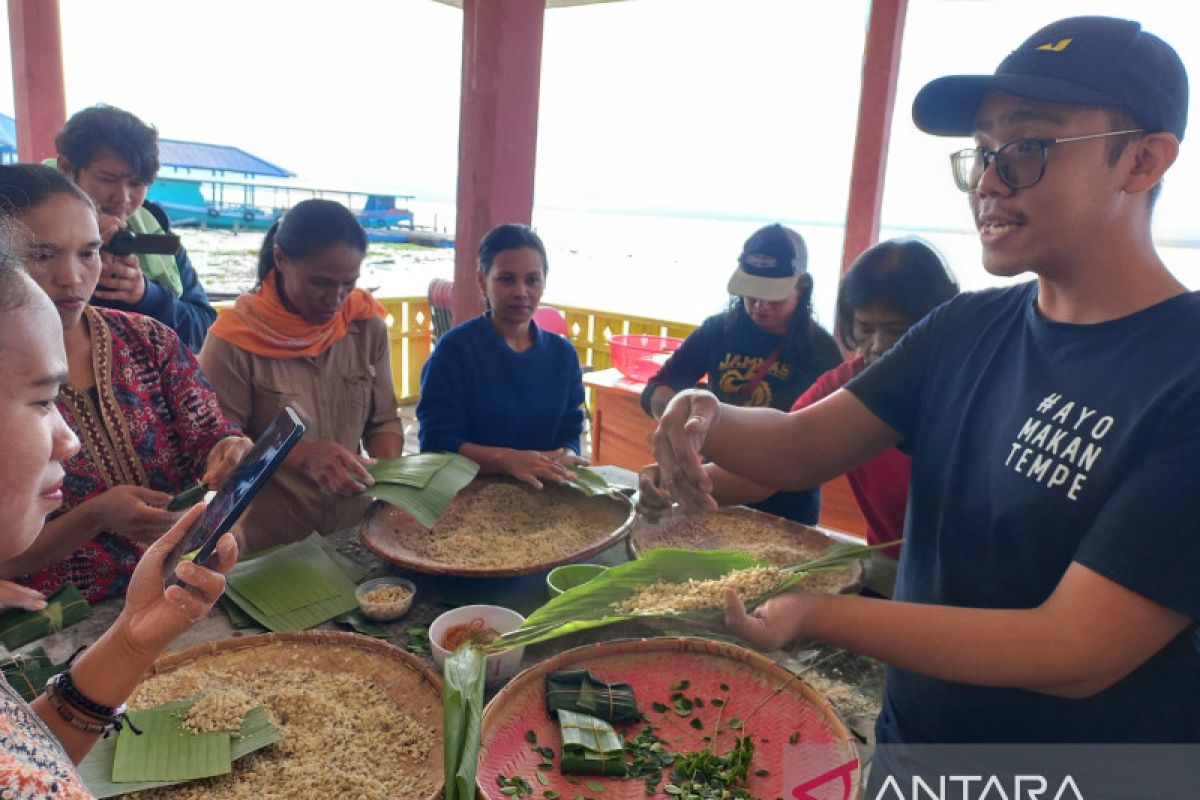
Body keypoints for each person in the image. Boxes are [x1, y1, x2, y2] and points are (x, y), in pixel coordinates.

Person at [650, 15, 1200, 748]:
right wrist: (706, 412)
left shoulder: (1183, 372)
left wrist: (816, 611)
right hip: (918, 741)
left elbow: (1074, 651)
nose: (991, 183)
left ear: (1143, 161)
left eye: (1029, 147)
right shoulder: (965, 328)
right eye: (982, 153)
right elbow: (802, 445)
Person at [0, 250, 236, 793]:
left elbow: (30, 752)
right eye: (41, 402)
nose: (69, 438)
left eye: (89, 252)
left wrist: (132, 639)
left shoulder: (149, 337)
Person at [639, 238, 958, 597]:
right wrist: (673, 481)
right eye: (865, 329)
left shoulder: (967, 388)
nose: (879, 347)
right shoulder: (847, 384)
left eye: (898, 332)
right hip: (889, 571)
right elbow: (780, 457)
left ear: (940, 324)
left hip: (966, 583)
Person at [0, 164, 250, 603]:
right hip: (52, 626)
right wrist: (94, 517)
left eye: (88, 253)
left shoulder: (150, 339)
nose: (72, 277)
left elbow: (209, 432)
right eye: (41, 255)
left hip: (182, 590)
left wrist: (227, 449)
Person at [200, 199, 403, 552]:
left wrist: (391, 486)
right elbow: (214, 453)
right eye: (320, 282)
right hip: (267, 542)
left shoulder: (366, 325)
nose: (335, 299)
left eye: (348, 284)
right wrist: (301, 456)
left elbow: (384, 423)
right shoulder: (233, 339)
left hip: (354, 534)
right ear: (280, 259)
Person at [641, 224, 842, 524]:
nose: (760, 306)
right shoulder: (719, 331)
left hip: (788, 512)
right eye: (751, 294)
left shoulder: (821, 352)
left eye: (773, 297)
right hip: (716, 499)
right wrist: (682, 426)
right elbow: (657, 390)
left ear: (802, 286)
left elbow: (783, 465)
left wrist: (678, 485)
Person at [417, 224, 585, 488]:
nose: (521, 292)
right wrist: (505, 460)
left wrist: (568, 452)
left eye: (532, 280)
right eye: (507, 279)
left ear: (544, 282)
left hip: (544, 497)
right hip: (468, 498)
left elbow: (570, 426)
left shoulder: (562, 356)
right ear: (482, 279)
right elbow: (436, 443)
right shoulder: (454, 352)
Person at [54, 104, 216, 352]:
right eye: (107, 179)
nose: (122, 197)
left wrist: (146, 295)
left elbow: (204, 329)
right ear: (66, 168)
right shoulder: (25, 220)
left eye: (136, 183)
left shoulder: (153, 234)